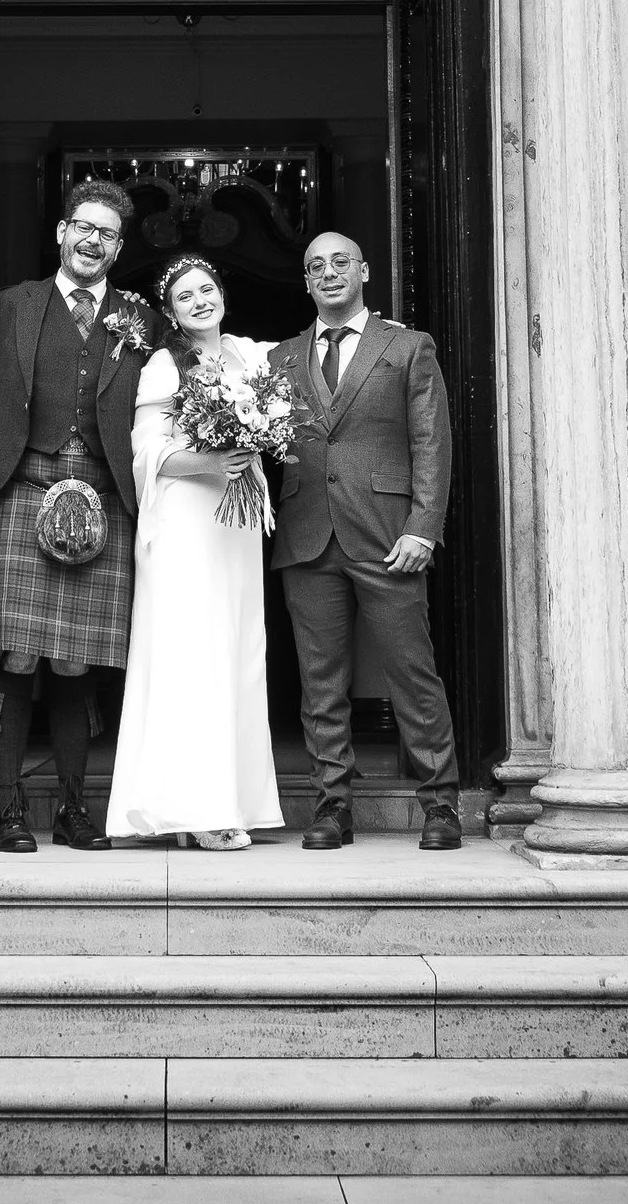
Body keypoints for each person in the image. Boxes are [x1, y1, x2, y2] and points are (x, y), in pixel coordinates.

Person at [0, 180, 156, 852]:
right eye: (83, 226)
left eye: (106, 232)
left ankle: (76, 808)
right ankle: (7, 808)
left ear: (118, 246)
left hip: (103, 496)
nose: (92, 240)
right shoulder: (12, 304)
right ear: (60, 231)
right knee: (18, 657)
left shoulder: (141, 316)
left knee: (77, 662)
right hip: (22, 485)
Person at [266, 230, 462, 851]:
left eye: (340, 262)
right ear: (304, 280)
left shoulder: (407, 348)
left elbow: (432, 443)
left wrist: (423, 529)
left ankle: (440, 804)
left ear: (365, 270)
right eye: (315, 265)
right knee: (320, 681)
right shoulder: (279, 359)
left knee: (412, 670)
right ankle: (332, 805)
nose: (328, 273)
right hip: (306, 537)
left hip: (388, 536)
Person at [106, 255, 283, 848]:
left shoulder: (251, 354)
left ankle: (231, 799)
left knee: (236, 650)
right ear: (172, 312)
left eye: (207, 288)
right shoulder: (163, 364)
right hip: (185, 521)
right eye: (186, 297)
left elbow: (296, 383)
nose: (200, 300)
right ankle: (191, 808)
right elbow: (148, 454)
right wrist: (208, 464)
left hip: (235, 524)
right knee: (192, 652)